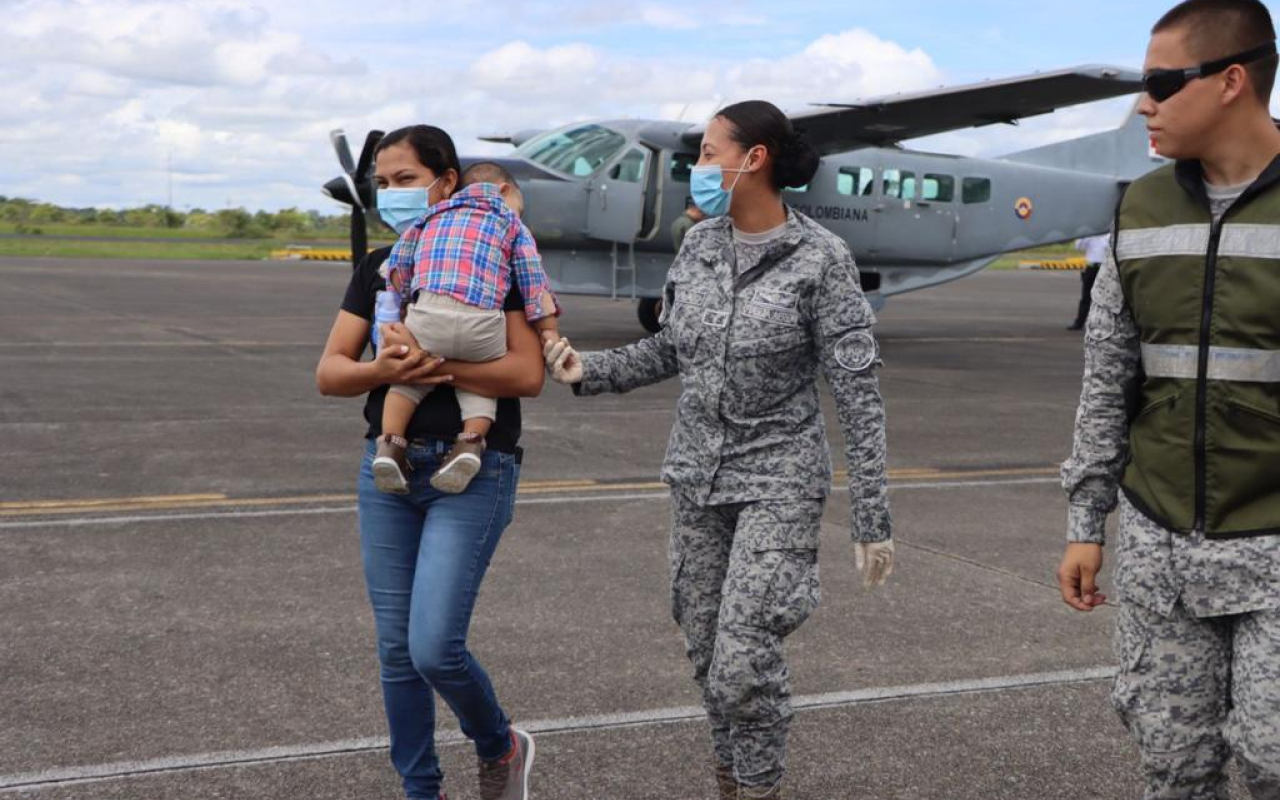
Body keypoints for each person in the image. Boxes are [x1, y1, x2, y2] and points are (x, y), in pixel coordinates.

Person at [544, 101, 895, 800]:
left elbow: (857, 391)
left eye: (707, 154)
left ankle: (760, 784)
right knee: (707, 654)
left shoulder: (821, 259)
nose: (697, 168)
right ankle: (730, 780)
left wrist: (872, 518)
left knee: (743, 660)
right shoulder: (698, 247)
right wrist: (593, 372)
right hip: (696, 480)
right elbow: (672, 346)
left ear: (753, 158)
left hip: (780, 481)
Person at [1058, 2, 1280, 797]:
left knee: (1274, 758)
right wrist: (1087, 522)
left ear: (1230, 82)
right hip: (1160, 549)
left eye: (1159, 82)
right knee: (1171, 762)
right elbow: (1110, 372)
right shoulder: (1141, 208)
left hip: (1275, 545)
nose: (1144, 103)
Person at [316, 125, 542, 800]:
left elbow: (526, 374)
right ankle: (422, 791)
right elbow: (330, 373)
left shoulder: (494, 253)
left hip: (472, 472)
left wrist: (437, 366)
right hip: (387, 472)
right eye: (383, 185)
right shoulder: (383, 265)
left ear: (447, 182)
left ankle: (499, 742)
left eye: (407, 180)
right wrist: (380, 370)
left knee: (434, 646)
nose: (394, 195)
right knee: (396, 652)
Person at [375, 161, 560, 496]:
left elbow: (399, 262)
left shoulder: (431, 215)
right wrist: (549, 330)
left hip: (428, 315)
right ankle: (470, 444)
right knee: (482, 384)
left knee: (407, 385)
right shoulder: (511, 223)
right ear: (504, 191)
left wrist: (403, 302)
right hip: (482, 323)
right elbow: (534, 282)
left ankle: (390, 447)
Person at [1068, 234, 1108, 330]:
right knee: (1086, 296)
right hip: (1091, 267)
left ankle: (1103, 324)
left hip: (1105, 268)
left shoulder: (1109, 235)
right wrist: (1085, 233)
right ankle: (1079, 322)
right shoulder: (1090, 235)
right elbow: (1078, 246)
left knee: (1105, 298)